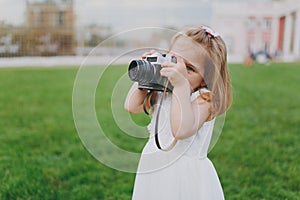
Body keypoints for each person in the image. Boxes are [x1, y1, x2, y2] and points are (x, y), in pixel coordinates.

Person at [124, 25, 232, 200]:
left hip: (185, 175)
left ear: (208, 77)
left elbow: (181, 130)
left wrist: (181, 85)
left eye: (189, 68)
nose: (179, 71)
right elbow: (131, 106)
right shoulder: (164, 87)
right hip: (154, 165)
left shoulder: (204, 98)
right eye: (175, 61)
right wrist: (145, 76)